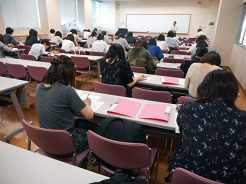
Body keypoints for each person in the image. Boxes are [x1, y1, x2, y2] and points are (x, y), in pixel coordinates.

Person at [168, 69, 246, 183]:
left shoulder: (187, 109)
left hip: (187, 174)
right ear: (233, 93)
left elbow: (183, 133)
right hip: (230, 179)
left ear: (203, 88)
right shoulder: (242, 119)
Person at [36, 55, 94, 153]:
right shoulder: (67, 91)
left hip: (46, 140)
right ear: (68, 74)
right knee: (95, 131)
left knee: (81, 122)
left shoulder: (39, 87)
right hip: (65, 144)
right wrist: (87, 101)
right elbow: (90, 115)